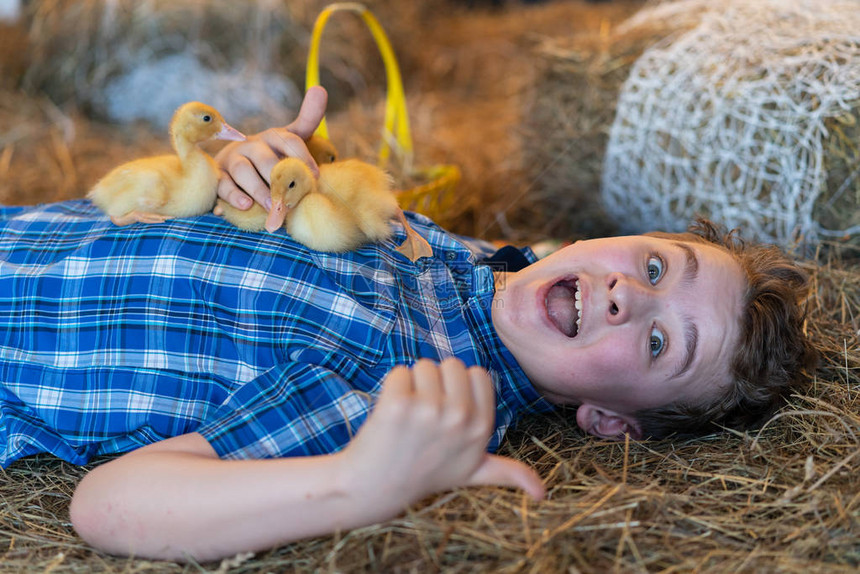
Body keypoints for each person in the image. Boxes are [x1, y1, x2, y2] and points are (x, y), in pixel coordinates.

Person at [0, 87, 815, 562]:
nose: (625, 298)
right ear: (598, 239)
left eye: (661, 343)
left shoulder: (428, 395)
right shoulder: (458, 253)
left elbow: (108, 505)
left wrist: (366, 485)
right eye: (655, 267)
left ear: (609, 422)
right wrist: (254, 171)